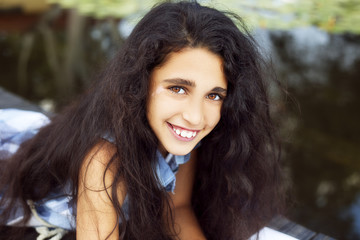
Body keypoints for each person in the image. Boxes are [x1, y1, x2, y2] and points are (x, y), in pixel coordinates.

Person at [0, 1, 285, 239]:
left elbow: (176, 208)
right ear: (140, 84)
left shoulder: (182, 133)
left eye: (214, 95)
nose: (195, 116)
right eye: (178, 88)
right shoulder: (103, 161)